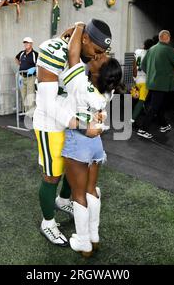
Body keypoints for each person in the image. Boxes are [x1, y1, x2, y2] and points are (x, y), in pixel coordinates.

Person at [33, 19, 112, 247]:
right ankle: (48, 222)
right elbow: (48, 103)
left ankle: (63, 200)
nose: (98, 56)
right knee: (53, 175)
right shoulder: (53, 50)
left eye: (102, 52)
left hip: (74, 121)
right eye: (97, 51)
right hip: (51, 124)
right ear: (84, 39)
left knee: (75, 169)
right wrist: (80, 125)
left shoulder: (87, 54)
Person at [60, 23, 123, 256]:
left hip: (78, 142)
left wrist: (78, 27)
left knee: (78, 195)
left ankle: (83, 242)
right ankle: (94, 237)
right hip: (97, 146)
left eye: (100, 59)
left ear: (97, 72)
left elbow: (73, 54)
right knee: (91, 190)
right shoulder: (108, 90)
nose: (98, 56)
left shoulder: (80, 83)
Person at [136, 30, 174, 139]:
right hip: (162, 85)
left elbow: (143, 65)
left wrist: (152, 74)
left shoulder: (151, 49)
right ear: (168, 38)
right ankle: (143, 129)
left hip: (152, 83)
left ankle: (164, 125)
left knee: (159, 106)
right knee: (154, 107)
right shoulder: (169, 50)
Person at [131, 38, 154, 123]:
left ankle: (141, 111)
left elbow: (133, 65)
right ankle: (132, 119)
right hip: (145, 80)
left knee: (136, 98)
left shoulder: (137, 51)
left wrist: (134, 77)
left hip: (137, 79)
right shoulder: (151, 54)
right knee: (142, 99)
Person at [15, 37, 38, 114]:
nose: (25, 44)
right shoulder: (22, 53)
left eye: (27, 43)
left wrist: (34, 68)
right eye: (24, 43)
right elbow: (16, 58)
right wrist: (20, 65)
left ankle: (31, 114)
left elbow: (39, 65)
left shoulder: (35, 54)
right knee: (23, 95)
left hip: (31, 78)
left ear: (31, 44)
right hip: (22, 77)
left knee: (30, 95)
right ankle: (26, 113)